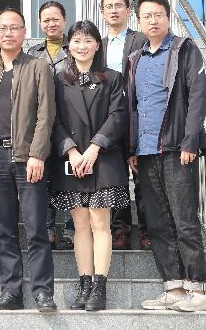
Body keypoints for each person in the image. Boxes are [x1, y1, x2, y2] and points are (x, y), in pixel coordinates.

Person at [129, 0, 206, 313]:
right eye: (146, 16)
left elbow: (198, 96)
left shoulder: (184, 49)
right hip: (145, 152)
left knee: (184, 219)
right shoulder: (135, 59)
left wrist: (191, 141)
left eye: (158, 15)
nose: (153, 21)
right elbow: (133, 106)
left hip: (177, 149)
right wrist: (131, 148)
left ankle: (198, 291)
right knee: (157, 222)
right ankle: (174, 288)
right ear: (139, 21)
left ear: (168, 17)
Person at [0, 8, 57, 312]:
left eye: (14, 27)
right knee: (5, 229)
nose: (8, 33)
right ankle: (11, 292)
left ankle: (43, 292)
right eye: (2, 28)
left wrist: (37, 154)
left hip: (28, 158)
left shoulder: (38, 67)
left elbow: (46, 115)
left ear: (24, 32)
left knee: (36, 228)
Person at [51, 20, 129, 312]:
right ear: (68, 46)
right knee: (80, 224)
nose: (82, 46)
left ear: (97, 45)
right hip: (72, 160)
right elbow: (53, 120)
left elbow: (118, 116)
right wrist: (71, 151)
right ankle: (84, 284)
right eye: (76, 41)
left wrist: (95, 146)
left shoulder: (112, 78)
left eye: (88, 41)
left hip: (104, 158)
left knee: (100, 222)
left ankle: (99, 286)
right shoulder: (59, 80)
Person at [101, 0, 150, 251]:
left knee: (142, 176)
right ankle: (120, 228)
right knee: (116, 176)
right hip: (109, 118)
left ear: (129, 11)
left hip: (136, 116)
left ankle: (147, 230)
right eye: (109, 6)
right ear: (102, 12)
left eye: (119, 5)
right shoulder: (97, 44)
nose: (114, 10)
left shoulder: (141, 39)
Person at [26, 1, 74, 250]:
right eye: (46, 20)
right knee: (43, 177)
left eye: (55, 19)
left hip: (70, 120)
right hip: (41, 121)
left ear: (64, 20)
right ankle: (47, 229)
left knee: (69, 176)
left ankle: (70, 228)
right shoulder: (33, 52)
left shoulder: (75, 47)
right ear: (39, 23)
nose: (51, 24)